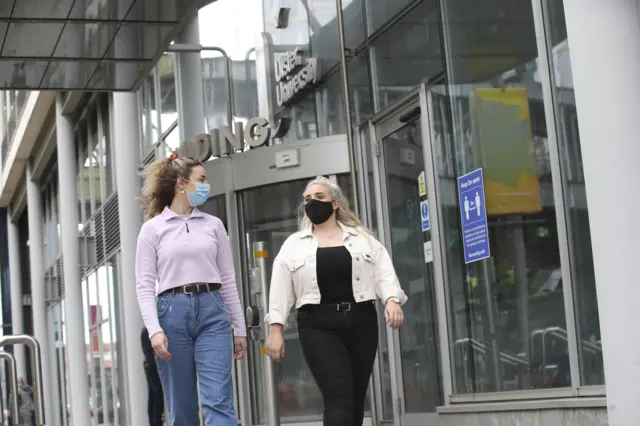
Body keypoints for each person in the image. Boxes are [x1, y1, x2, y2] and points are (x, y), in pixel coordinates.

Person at [265, 176, 408, 426]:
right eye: (307, 200)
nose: (312, 203)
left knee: (354, 399)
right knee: (338, 397)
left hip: (362, 322)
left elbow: (383, 272)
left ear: (335, 204)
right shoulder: (294, 245)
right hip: (318, 325)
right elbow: (279, 290)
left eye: (319, 197)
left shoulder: (362, 238)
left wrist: (392, 300)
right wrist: (275, 329)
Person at [135, 153, 247, 426]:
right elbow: (145, 285)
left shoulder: (214, 225)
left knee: (219, 401)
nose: (207, 184)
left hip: (213, 311)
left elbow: (228, 279)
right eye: (202, 179)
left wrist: (239, 327)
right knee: (181, 407)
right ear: (181, 184)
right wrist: (155, 330)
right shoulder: (152, 230)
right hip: (171, 314)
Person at [141, 327, 164, 426]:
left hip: (150, 365)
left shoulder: (145, 331)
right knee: (157, 393)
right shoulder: (149, 331)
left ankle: (155, 421)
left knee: (153, 394)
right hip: (153, 366)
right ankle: (156, 421)